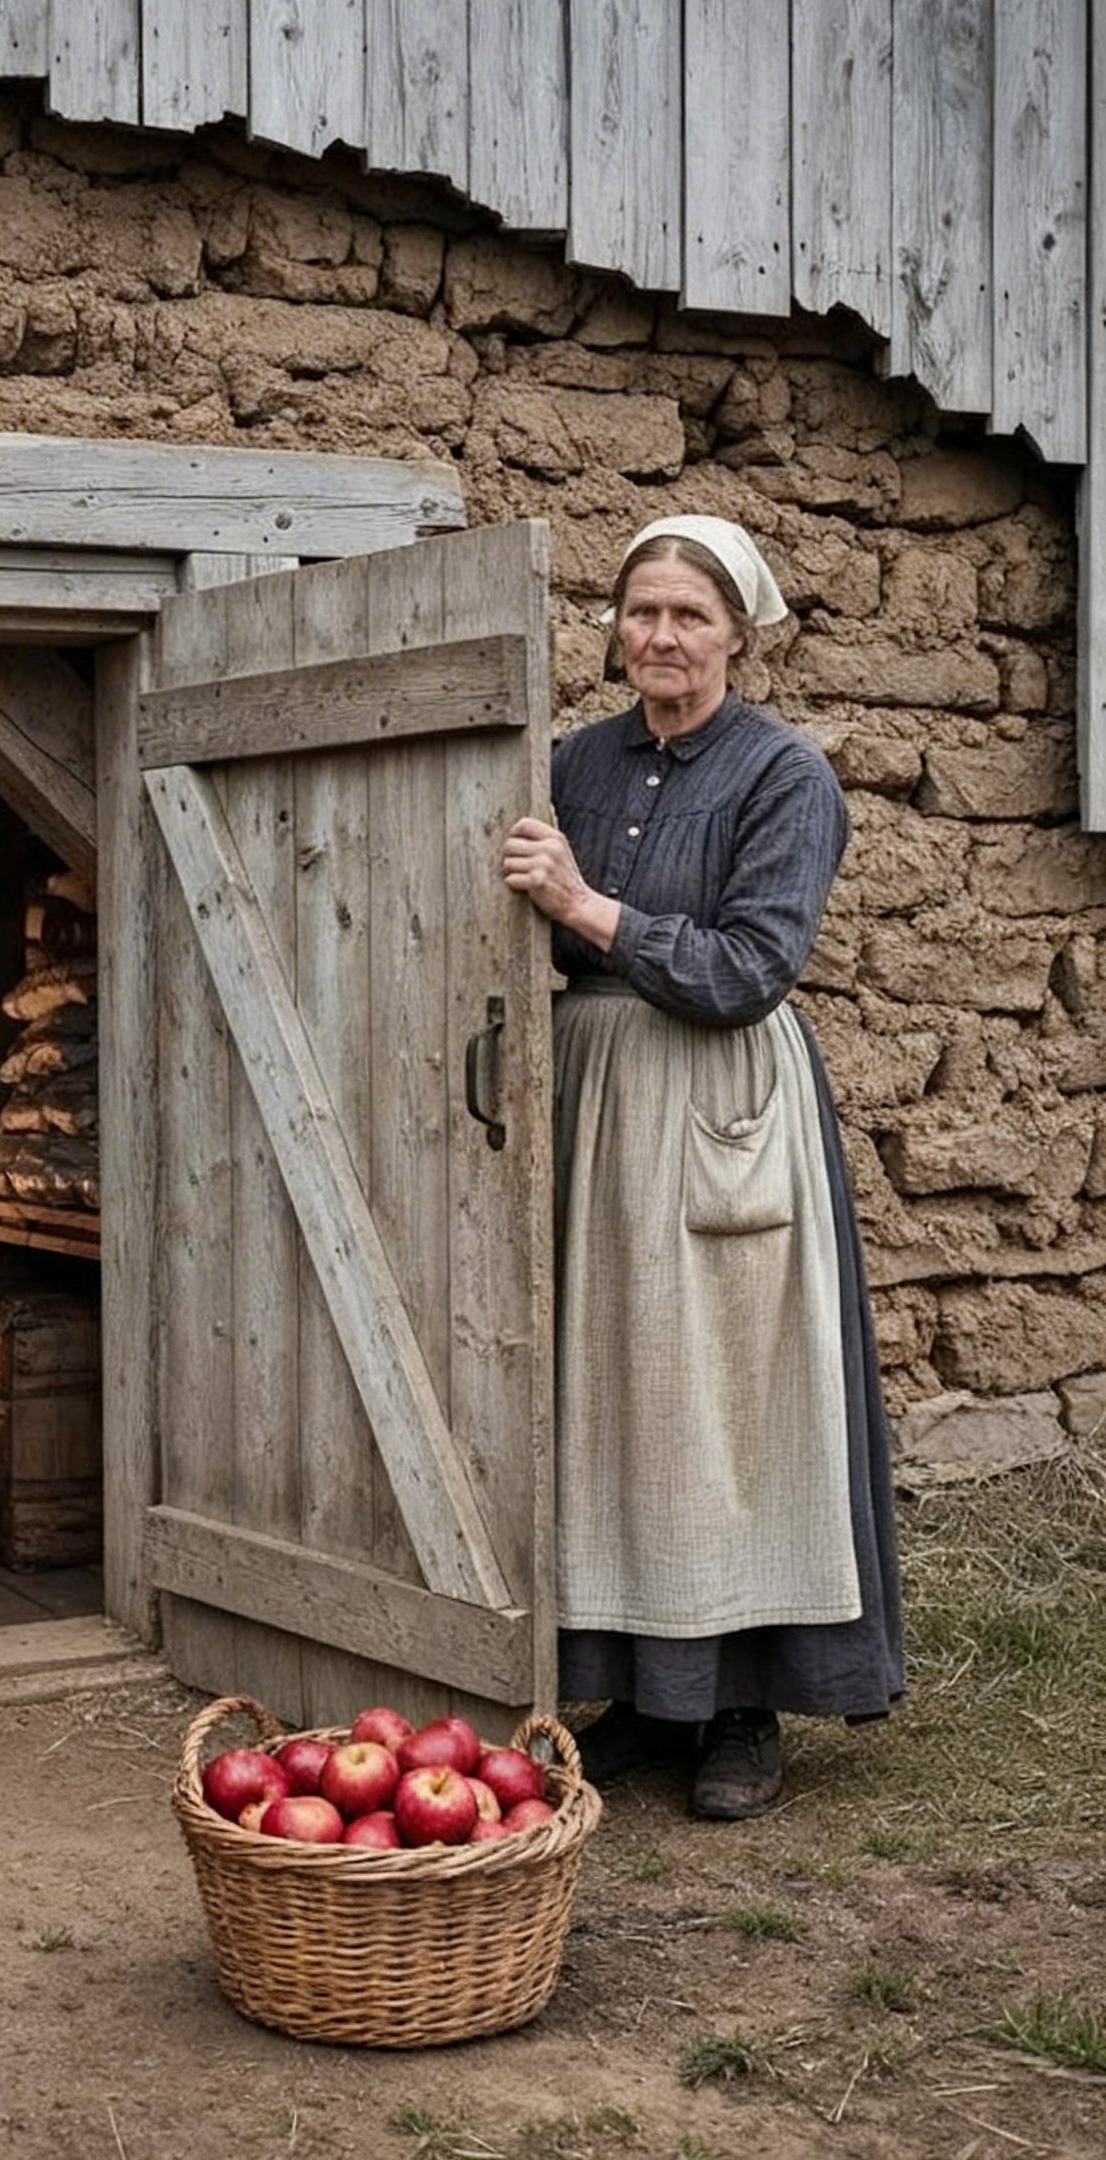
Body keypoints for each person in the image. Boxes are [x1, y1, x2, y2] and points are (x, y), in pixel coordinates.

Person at [501, 514, 903, 1820]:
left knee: (728, 1408)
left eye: (688, 615)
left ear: (739, 631)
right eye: (641, 613)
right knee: (621, 1398)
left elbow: (747, 969)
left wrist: (584, 910)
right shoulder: (575, 762)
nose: (660, 636)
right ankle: (635, 1695)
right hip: (601, 1112)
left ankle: (742, 1712)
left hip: (723, 1103)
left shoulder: (786, 777)